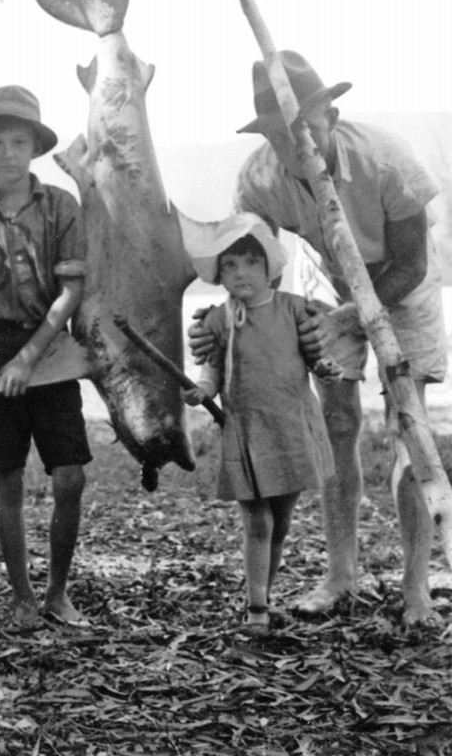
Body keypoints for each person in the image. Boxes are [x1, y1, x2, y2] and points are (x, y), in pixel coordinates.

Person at [188, 50, 447, 625]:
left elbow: (409, 264)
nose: (295, 143)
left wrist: (357, 316)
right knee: (336, 423)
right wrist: (223, 326)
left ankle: (416, 590)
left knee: (408, 427)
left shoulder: (386, 161)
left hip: (407, 291)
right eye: (280, 134)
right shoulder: (259, 177)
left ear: (329, 112)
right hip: (329, 286)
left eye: (304, 125)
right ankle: (340, 576)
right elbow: (252, 267)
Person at [0, 84, 91, 629]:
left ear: (34, 148)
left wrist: (30, 359)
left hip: (49, 343)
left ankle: (58, 591)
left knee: (70, 474)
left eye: (18, 141)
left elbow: (70, 293)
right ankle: (21, 597)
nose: (7, 152)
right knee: (7, 475)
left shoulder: (60, 206)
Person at [184, 213, 337, 633]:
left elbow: (315, 359)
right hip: (246, 430)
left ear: (270, 267)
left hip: (290, 426)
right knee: (257, 520)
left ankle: (264, 599)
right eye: (229, 266)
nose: (240, 273)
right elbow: (213, 369)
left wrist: (327, 369)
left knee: (282, 521)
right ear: (219, 274)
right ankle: (255, 610)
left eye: (250, 262)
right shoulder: (218, 318)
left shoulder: (292, 309)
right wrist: (203, 389)